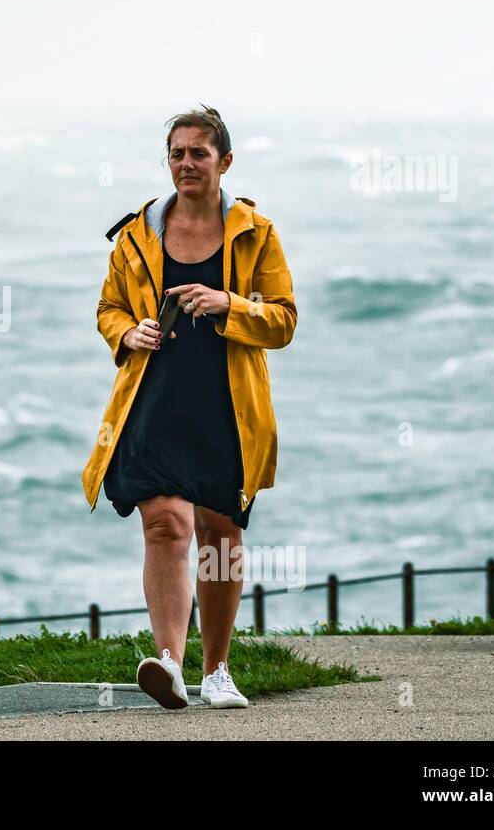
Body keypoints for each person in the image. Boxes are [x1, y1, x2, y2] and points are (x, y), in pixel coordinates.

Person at [79, 105, 297, 710]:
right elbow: (107, 308)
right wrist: (126, 334)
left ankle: (218, 669)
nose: (186, 163)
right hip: (153, 402)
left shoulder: (257, 233)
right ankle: (170, 664)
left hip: (226, 405)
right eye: (176, 153)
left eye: (199, 153)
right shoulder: (137, 235)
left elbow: (282, 321)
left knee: (219, 534)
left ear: (224, 162)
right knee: (164, 523)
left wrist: (229, 304)